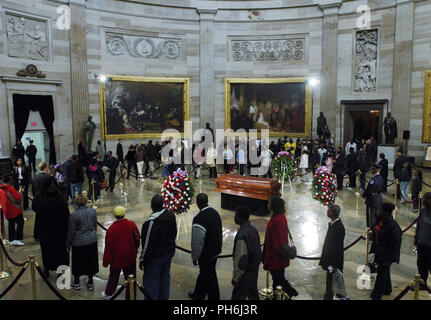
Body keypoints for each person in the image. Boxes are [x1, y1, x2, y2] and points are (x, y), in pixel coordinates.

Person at [139, 195, 177, 300]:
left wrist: (142, 259)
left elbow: (146, 244)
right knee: (165, 279)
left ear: (152, 206)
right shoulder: (171, 215)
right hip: (168, 254)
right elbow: (174, 233)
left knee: (151, 282)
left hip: (155, 257)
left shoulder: (151, 223)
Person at [32, 176, 69, 278]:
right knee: (60, 250)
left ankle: (47, 268)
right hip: (59, 229)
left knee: (46, 250)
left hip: (44, 229)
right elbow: (66, 214)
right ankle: (60, 270)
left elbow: (34, 208)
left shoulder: (39, 196)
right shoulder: (59, 195)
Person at [102, 206, 141, 300]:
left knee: (113, 277)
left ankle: (109, 293)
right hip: (130, 256)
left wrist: (106, 261)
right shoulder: (131, 224)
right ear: (124, 213)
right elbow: (137, 238)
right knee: (131, 278)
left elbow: (109, 247)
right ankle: (131, 296)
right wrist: (135, 248)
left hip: (116, 259)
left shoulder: (111, 229)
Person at [189, 193, 223, 300]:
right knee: (207, 273)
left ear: (198, 204)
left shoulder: (199, 218)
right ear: (207, 201)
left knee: (207, 274)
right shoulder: (215, 213)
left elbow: (197, 241)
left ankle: (209, 297)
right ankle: (199, 294)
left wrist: (195, 257)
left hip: (206, 254)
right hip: (215, 251)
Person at [263, 197, 298, 298]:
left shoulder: (276, 221)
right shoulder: (281, 216)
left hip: (275, 258)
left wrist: (268, 256)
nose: (268, 205)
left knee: (278, 280)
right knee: (278, 280)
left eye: (269, 203)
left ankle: (290, 292)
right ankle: (277, 296)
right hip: (280, 257)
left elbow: (276, 243)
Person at [65, 194, 99, 291]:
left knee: (78, 263)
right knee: (91, 261)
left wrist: (68, 244)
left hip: (79, 242)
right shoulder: (93, 211)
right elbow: (95, 225)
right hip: (92, 240)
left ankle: (76, 282)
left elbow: (71, 231)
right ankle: (91, 282)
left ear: (76, 203)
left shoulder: (74, 215)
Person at [370, 203, 402, 300]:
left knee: (382, 273)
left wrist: (388, 259)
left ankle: (377, 294)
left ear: (387, 213)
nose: (379, 211)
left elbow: (395, 245)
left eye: (381, 210)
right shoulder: (381, 221)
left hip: (387, 254)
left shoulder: (393, 227)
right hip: (380, 251)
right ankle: (387, 289)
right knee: (384, 271)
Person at [231, 206, 262, 300]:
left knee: (237, 297)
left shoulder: (241, 235)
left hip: (245, 274)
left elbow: (241, 259)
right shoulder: (253, 229)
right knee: (253, 295)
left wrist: (236, 277)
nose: (234, 217)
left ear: (240, 217)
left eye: (236, 215)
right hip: (253, 270)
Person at [319, 205, 347, 300]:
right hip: (329, 257)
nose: (327, 212)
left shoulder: (338, 227)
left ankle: (329, 296)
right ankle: (328, 294)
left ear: (332, 213)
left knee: (331, 279)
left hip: (333, 260)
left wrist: (335, 265)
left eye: (329, 211)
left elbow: (338, 248)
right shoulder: (333, 224)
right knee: (329, 277)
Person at [0, 175, 24, 246]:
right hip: (14, 210)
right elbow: (18, 198)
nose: (12, 180)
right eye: (11, 179)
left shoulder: (1, 188)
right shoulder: (9, 188)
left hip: (7, 210)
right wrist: (20, 193)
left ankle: (11, 239)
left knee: (11, 224)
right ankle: (17, 239)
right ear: (8, 181)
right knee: (20, 222)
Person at [414, 192, 431, 290]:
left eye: (425, 199)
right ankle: (422, 283)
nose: (423, 200)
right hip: (422, 244)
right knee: (421, 265)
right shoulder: (424, 211)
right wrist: (416, 239)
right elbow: (419, 226)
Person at [363, 163, 383, 229]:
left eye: (373, 169)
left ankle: (370, 233)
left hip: (372, 200)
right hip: (378, 198)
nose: (372, 170)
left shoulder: (373, 179)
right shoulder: (380, 178)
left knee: (370, 217)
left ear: (376, 170)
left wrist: (364, 194)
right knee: (375, 216)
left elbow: (369, 189)